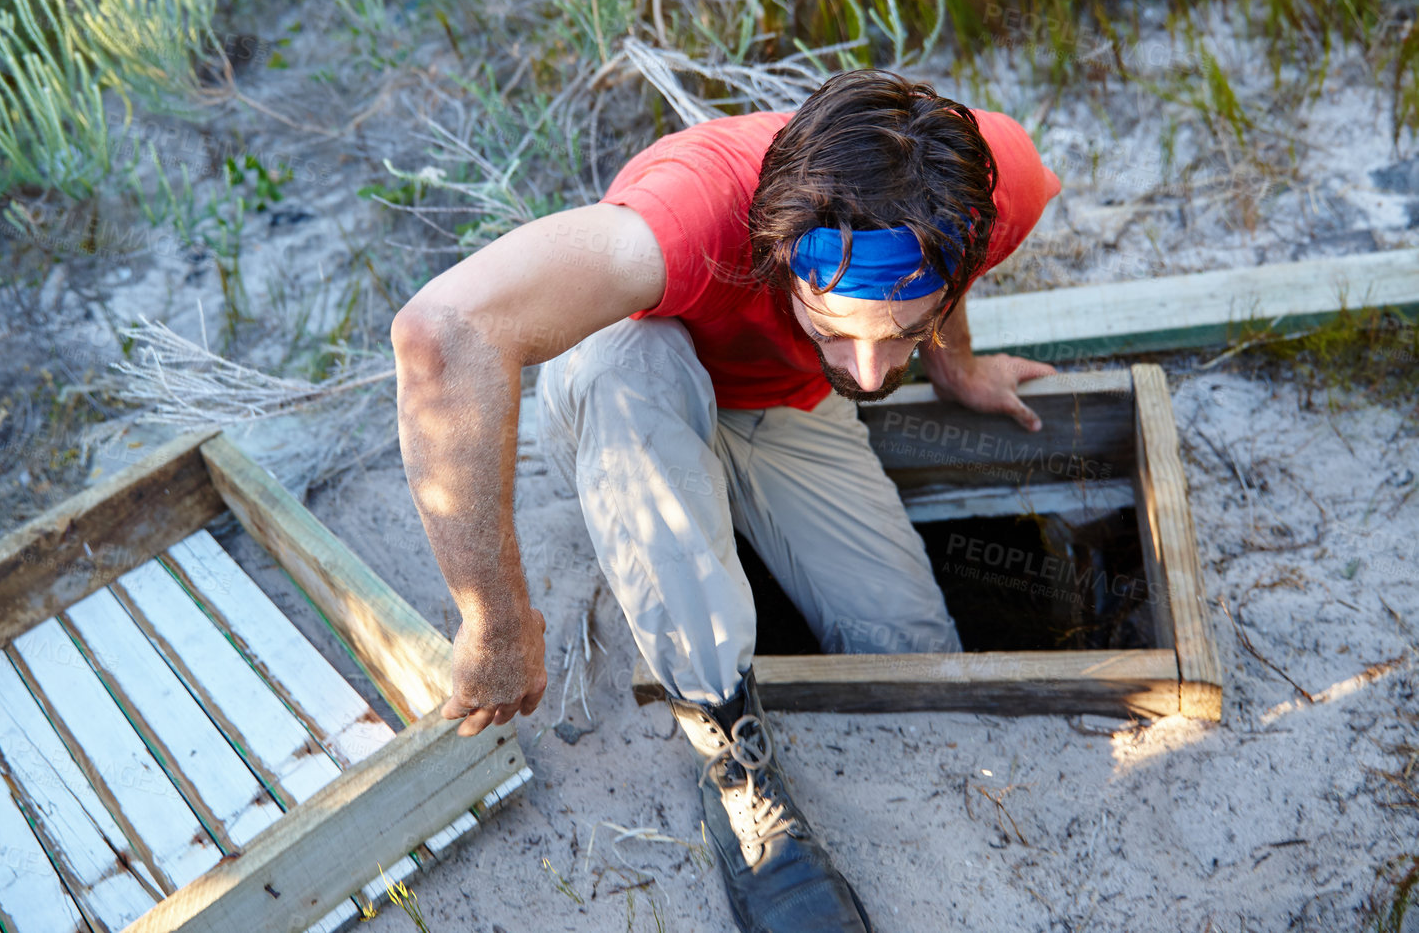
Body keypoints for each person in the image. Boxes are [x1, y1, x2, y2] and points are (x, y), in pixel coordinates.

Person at [390, 69, 1063, 932]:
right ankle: (734, 763)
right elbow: (442, 332)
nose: (868, 375)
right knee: (622, 360)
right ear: (779, 250)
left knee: (908, 649)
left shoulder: (994, 183)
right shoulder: (694, 217)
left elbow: (942, 281)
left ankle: (775, 484)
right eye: (834, 329)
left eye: (898, 337)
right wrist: (491, 615)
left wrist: (954, 365)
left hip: (783, 407)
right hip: (638, 403)